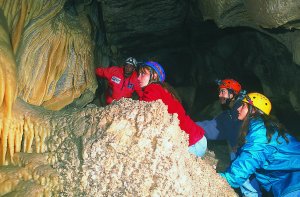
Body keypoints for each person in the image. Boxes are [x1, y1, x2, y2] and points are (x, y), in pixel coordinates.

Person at [220, 92, 300, 197]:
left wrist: (222, 178)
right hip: (287, 183)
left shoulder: (261, 131)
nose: (238, 109)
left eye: (243, 105)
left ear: (254, 110)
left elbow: (249, 160)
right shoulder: (262, 128)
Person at [137, 61, 207, 157]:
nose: (138, 77)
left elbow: (143, 111)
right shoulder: (164, 89)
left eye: (143, 74)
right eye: (139, 74)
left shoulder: (153, 88)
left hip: (192, 144)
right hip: (198, 140)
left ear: (154, 76)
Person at [196, 79, 245, 160]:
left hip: (249, 160)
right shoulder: (229, 114)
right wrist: (189, 125)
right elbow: (211, 127)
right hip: (241, 161)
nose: (219, 95)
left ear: (232, 93)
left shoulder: (240, 112)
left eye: (223, 92)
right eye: (219, 92)